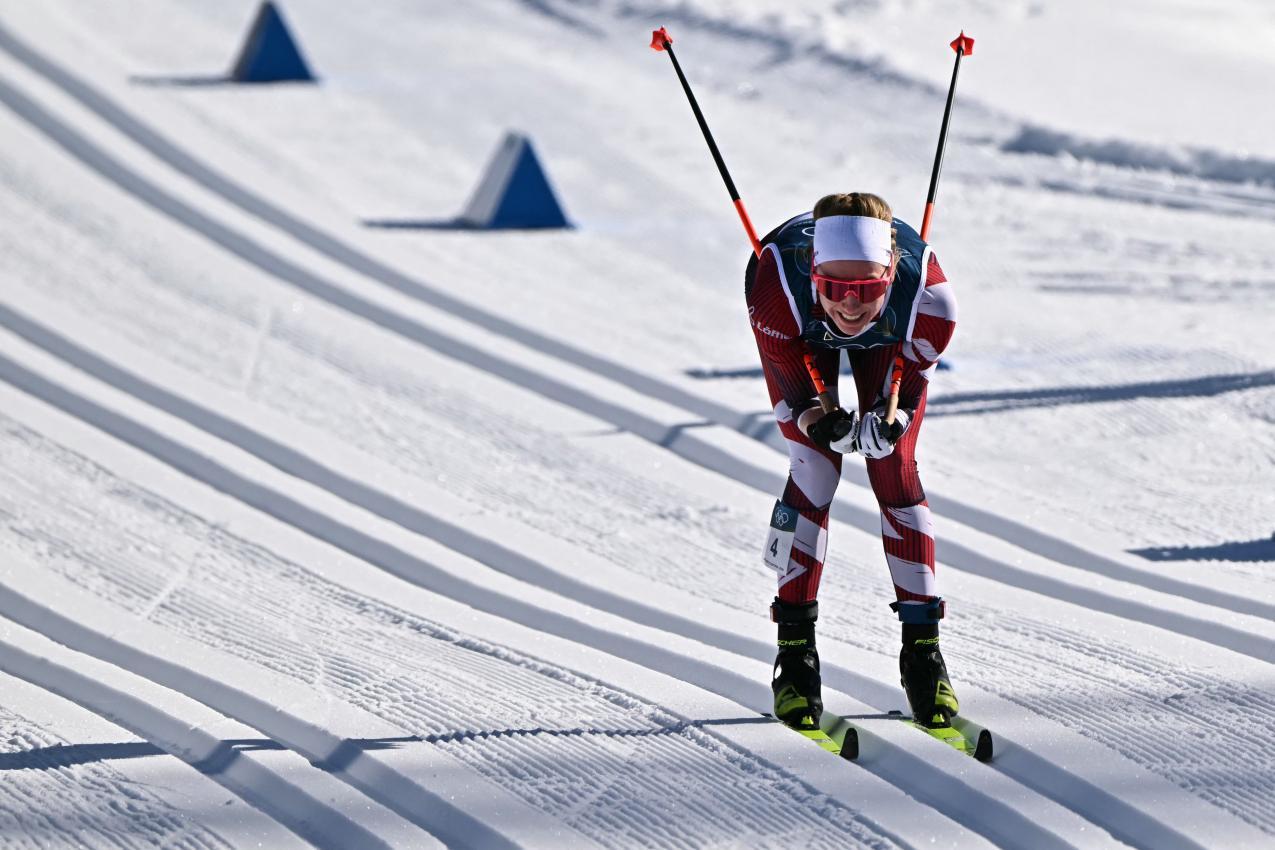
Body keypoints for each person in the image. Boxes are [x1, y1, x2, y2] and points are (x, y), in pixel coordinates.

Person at [744, 191, 959, 730]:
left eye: (868, 289)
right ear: (815, 272)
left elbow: (905, 395)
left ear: (891, 277)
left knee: (894, 470)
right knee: (814, 468)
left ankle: (924, 657)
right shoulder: (776, 292)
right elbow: (798, 397)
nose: (850, 304)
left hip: (893, 335)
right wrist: (824, 420)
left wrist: (894, 422)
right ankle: (794, 657)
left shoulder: (929, 304)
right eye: (836, 287)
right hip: (800, 331)